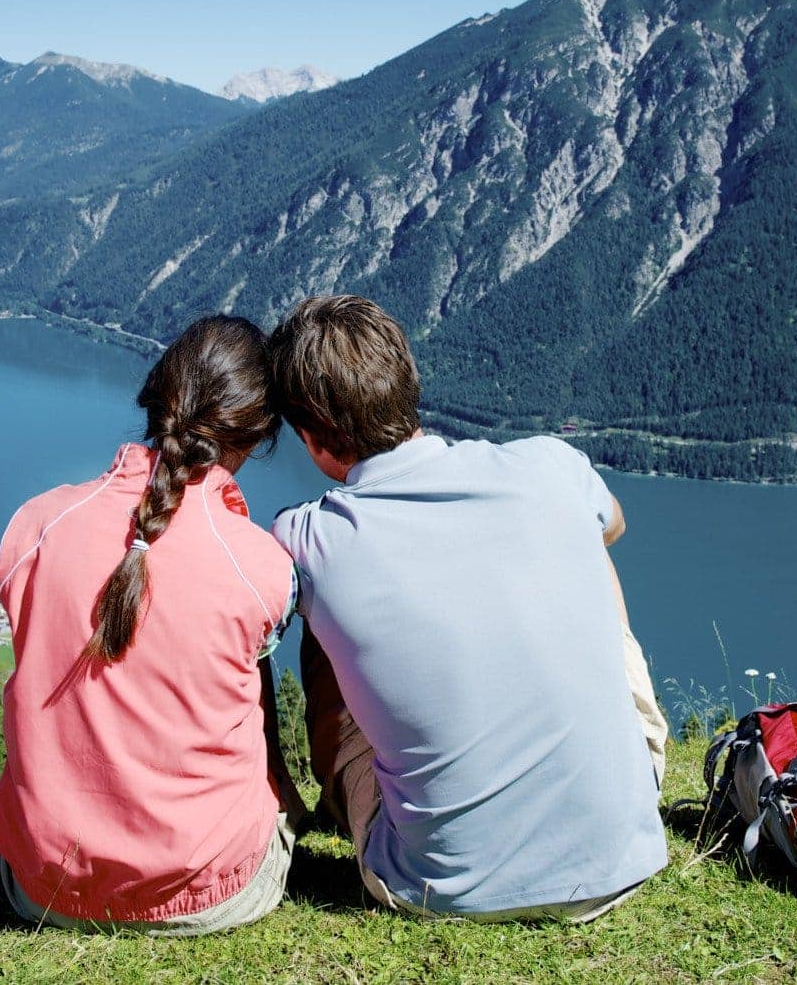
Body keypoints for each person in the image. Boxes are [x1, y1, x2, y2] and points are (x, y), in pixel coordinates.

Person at [267, 294, 669, 921]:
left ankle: (340, 802)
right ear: (407, 384)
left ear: (313, 439)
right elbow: (612, 526)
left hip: (439, 887)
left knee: (322, 618)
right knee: (584, 535)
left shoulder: (308, 539)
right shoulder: (550, 465)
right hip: (623, 852)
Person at [0, 315, 301, 934]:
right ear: (258, 434)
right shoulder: (259, 564)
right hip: (213, 894)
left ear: (154, 399)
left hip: (44, 890)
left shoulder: (36, 528)